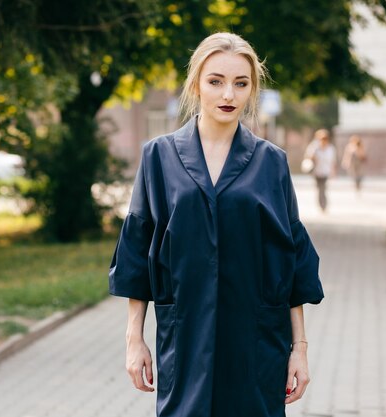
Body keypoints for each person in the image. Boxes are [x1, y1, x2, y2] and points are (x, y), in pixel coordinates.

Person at [109, 32, 324, 417]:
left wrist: (300, 350)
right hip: (185, 334)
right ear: (196, 84)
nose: (228, 95)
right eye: (216, 81)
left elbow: (290, 256)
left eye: (241, 84)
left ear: (252, 90)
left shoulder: (271, 162)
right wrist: (133, 339)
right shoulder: (158, 157)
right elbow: (137, 252)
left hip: (256, 339)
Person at [309, 129, 337, 212]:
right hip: (316, 171)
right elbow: (309, 156)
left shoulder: (331, 148)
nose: (323, 141)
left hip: (325, 171)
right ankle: (321, 204)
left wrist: (333, 171)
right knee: (319, 189)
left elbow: (333, 161)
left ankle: (323, 205)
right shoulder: (314, 147)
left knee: (323, 189)